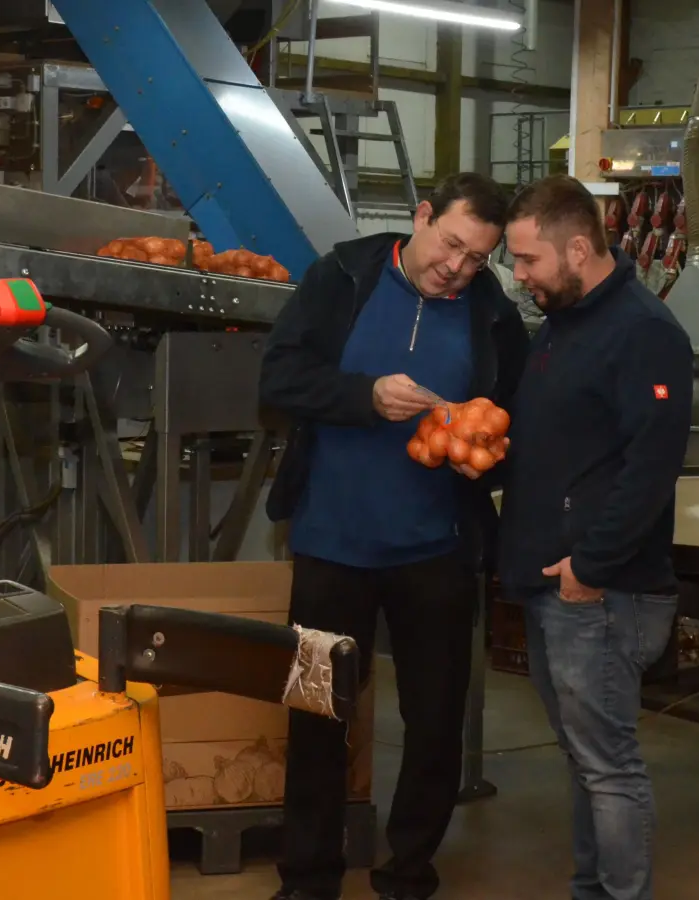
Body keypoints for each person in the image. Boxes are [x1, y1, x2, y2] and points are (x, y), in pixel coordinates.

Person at [258, 172, 530, 900]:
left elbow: (513, 420)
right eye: (450, 245)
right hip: (328, 549)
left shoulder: (490, 315)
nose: (458, 268)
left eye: (478, 258)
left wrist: (482, 444)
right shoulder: (342, 277)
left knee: (434, 726)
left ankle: (408, 875)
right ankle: (306, 881)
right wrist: (363, 396)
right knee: (316, 719)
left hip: (435, 554)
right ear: (421, 216)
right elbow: (278, 380)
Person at [495, 175, 694, 900]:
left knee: (609, 768)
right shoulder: (566, 322)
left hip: (600, 593)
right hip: (559, 586)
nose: (519, 277)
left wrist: (591, 565)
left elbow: (653, 464)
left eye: (527, 261)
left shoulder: (643, 332)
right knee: (585, 762)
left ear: (578, 248)